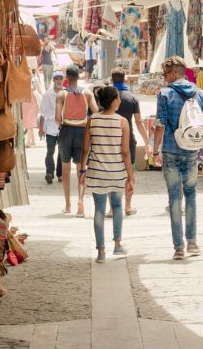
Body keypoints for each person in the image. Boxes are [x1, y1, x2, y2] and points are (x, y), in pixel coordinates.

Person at [151, 55, 203, 260]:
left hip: (171, 150)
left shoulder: (165, 94)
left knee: (174, 198)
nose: (164, 78)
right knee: (191, 195)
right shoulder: (201, 94)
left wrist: (155, 151)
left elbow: (160, 126)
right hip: (191, 151)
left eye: (164, 74)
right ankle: (193, 243)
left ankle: (178, 248)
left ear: (172, 73)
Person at [80, 86, 134, 263]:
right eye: (117, 98)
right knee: (117, 205)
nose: (119, 100)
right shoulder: (122, 121)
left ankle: (101, 251)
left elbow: (85, 149)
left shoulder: (92, 120)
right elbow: (125, 152)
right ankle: (118, 245)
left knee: (99, 210)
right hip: (117, 172)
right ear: (113, 101)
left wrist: (82, 170)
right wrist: (130, 176)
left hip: (96, 172)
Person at [55, 65, 96, 216]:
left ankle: (67, 205)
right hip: (82, 132)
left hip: (66, 131)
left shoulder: (61, 94)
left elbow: (57, 118)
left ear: (67, 78)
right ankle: (81, 202)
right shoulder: (87, 93)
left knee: (65, 170)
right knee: (81, 169)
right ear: (79, 76)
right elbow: (96, 111)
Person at [110, 67, 148, 216]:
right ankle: (127, 206)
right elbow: (139, 122)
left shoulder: (107, 96)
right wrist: (146, 142)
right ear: (125, 79)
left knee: (111, 173)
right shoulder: (132, 98)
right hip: (128, 140)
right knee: (129, 172)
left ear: (112, 79)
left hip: (110, 140)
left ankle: (112, 208)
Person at [38, 70, 65, 184]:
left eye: (60, 78)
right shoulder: (48, 94)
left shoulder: (66, 93)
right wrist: (40, 129)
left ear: (63, 80)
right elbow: (42, 113)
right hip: (50, 127)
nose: (58, 80)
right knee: (50, 151)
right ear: (53, 80)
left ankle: (60, 174)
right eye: (56, 78)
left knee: (62, 152)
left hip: (63, 127)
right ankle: (49, 172)